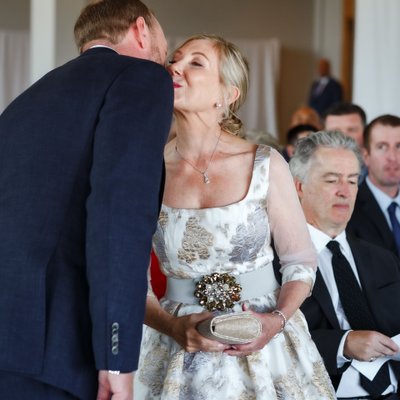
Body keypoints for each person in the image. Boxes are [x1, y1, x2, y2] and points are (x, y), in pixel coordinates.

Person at [135, 34, 336, 399]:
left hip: (266, 345)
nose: (174, 68)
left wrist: (274, 323)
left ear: (228, 94)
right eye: (174, 60)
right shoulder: (145, 169)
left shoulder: (266, 165)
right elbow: (130, 277)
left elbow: (301, 263)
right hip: (177, 346)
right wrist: (172, 326)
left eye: (195, 63)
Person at [0, 1, 173, 399]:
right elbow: (119, 216)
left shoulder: (26, 100)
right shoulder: (141, 76)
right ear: (141, 30)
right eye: (164, 42)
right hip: (58, 348)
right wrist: (116, 356)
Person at [287, 130, 400, 399]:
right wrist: (342, 344)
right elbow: (268, 339)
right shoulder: (276, 260)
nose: (344, 191)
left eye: (352, 181)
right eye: (331, 180)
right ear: (299, 187)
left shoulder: (382, 258)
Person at [347, 114, 400, 257]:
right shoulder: (349, 208)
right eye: (382, 147)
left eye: (399, 146)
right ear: (366, 156)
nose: (393, 157)